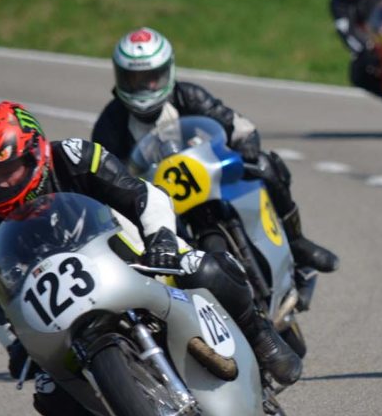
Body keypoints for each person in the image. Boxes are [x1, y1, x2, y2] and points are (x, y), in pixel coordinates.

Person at [0, 101, 303, 416]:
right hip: (67, 308)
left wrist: (162, 240)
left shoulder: (75, 157)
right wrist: (18, 347)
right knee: (51, 397)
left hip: (135, 255)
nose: (1, 183)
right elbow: (0, 295)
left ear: (35, 151)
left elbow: (141, 195)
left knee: (207, 268)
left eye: (8, 169)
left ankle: (263, 339)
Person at [92, 27, 339, 274]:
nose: (145, 86)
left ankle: (296, 241)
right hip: (155, 197)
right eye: (134, 79)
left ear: (168, 71)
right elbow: (105, 175)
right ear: (119, 76)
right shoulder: (110, 122)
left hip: (204, 175)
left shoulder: (189, 96)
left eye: (152, 77)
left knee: (267, 165)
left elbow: (236, 124)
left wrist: (246, 144)